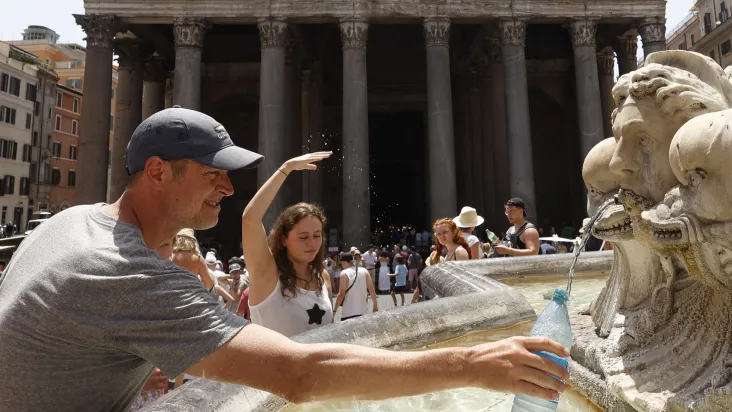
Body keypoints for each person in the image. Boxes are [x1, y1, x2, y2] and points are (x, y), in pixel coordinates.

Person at [0, 107, 569, 411]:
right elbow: (297, 375)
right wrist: (469, 365)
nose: (227, 187)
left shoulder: (73, 223)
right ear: (156, 172)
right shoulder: (124, 273)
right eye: (212, 173)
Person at [243, 152, 335, 337]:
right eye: (303, 237)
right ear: (284, 239)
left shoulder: (322, 276)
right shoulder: (267, 275)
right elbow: (250, 218)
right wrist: (286, 169)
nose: (312, 243)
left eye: (317, 235)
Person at [333, 252, 378, 320]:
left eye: (341, 264)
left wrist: (335, 310)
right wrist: (375, 306)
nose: (341, 266)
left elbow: (341, 294)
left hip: (348, 313)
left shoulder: (344, 273)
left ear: (345, 262)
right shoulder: (365, 271)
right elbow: (371, 289)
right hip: (363, 311)